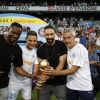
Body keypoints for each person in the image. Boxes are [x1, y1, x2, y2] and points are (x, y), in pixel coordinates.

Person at [44, 28, 95, 100]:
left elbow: (73, 70)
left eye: (69, 37)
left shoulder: (80, 48)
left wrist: (54, 72)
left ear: (74, 37)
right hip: (70, 86)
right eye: (64, 38)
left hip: (83, 86)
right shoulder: (67, 49)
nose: (66, 40)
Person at [0, 22, 34, 100]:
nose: (15, 36)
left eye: (18, 34)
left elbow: (18, 68)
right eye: (13, 32)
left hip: (3, 85)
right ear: (8, 29)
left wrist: (30, 76)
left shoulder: (17, 50)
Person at [37, 25, 67, 100]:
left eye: (51, 34)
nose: (49, 37)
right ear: (44, 35)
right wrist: (44, 76)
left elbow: (62, 63)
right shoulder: (40, 49)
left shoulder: (61, 45)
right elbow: (41, 66)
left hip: (60, 82)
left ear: (55, 34)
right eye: (47, 34)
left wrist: (53, 73)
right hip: (46, 83)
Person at [8, 30, 39, 100]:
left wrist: (34, 74)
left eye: (34, 41)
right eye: (30, 40)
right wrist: (31, 76)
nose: (32, 43)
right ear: (26, 39)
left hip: (27, 82)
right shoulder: (19, 49)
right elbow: (17, 68)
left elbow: (36, 64)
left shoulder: (36, 51)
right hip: (14, 81)